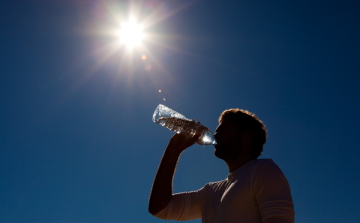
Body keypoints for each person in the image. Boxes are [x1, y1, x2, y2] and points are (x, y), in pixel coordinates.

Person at [148, 109, 295, 223]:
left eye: (224, 130)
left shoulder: (263, 170)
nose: (216, 136)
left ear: (246, 137)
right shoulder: (210, 192)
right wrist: (173, 150)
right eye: (217, 131)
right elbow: (160, 208)